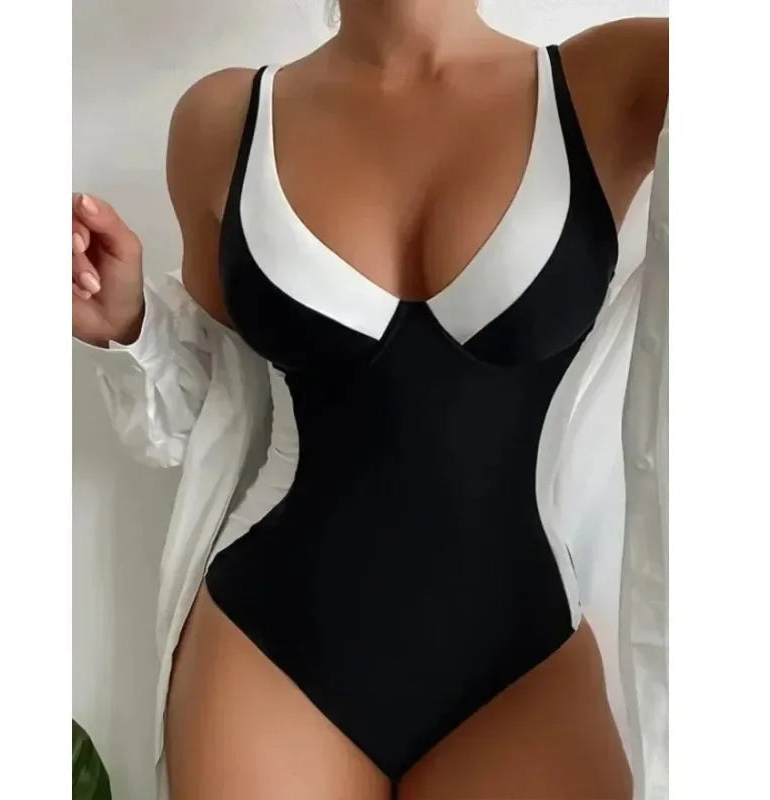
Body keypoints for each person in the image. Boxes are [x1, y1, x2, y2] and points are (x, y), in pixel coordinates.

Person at [72, 2, 668, 798]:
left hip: (521, 663)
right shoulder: (222, 119)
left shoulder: (625, 77)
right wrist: (131, 325)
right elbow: (224, 400)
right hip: (269, 651)